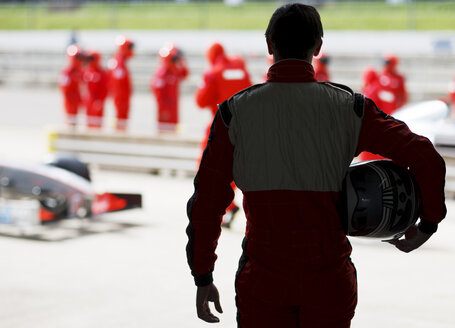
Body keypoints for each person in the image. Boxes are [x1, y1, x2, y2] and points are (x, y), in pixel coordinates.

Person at [186, 3, 446, 327]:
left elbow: (207, 203)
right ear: (318, 46)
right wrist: (428, 223)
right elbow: (426, 158)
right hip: (330, 281)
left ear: (269, 45)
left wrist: (203, 275)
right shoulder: (350, 108)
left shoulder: (233, 113)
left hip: (264, 282)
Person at [195, 42, 252, 228]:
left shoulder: (213, 72)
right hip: (243, 127)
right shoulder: (240, 68)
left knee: (208, 169)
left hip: (221, 127)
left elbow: (201, 101)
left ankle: (227, 207)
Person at [151, 43, 189, 133]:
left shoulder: (174, 71)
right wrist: (164, 112)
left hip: (173, 110)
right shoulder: (162, 74)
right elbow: (159, 95)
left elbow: (185, 74)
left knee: (173, 133)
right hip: (166, 112)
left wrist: (182, 62)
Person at [107, 35, 134, 131]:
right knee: (121, 119)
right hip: (121, 98)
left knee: (123, 119)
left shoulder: (120, 62)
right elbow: (117, 85)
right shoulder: (119, 63)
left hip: (122, 98)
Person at [58, 44, 85, 127]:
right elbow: (64, 88)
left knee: (77, 121)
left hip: (77, 100)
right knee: (71, 121)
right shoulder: (67, 72)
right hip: (70, 101)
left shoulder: (80, 71)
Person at [83, 51, 108, 129]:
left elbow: (105, 88)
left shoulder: (102, 73)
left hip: (97, 102)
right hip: (89, 101)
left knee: (97, 123)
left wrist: (100, 100)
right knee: (88, 122)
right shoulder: (86, 71)